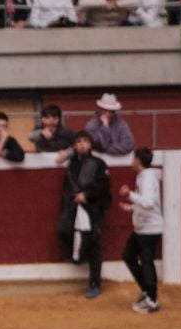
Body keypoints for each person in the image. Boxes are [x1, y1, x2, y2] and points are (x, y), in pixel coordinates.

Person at [59, 131, 111, 298]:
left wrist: (86, 195)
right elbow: (67, 188)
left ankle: (95, 284)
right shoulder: (72, 165)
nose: (82, 144)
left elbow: (104, 187)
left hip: (93, 208)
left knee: (94, 245)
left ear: (90, 145)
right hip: (74, 207)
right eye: (79, 142)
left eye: (85, 141)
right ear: (74, 146)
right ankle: (78, 254)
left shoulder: (99, 164)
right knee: (64, 230)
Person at [120, 146, 163, 313]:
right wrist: (131, 207)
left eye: (133, 159)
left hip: (149, 229)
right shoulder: (145, 177)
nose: (132, 162)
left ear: (138, 160)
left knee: (146, 262)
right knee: (129, 255)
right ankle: (147, 290)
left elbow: (149, 202)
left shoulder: (147, 178)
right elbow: (147, 202)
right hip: (143, 227)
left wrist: (129, 195)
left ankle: (152, 299)